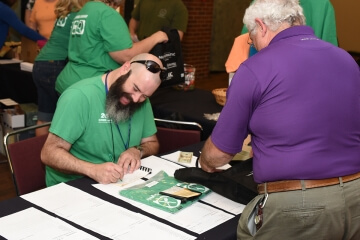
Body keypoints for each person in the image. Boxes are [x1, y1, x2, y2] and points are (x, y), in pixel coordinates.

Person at [198, 0, 360, 239]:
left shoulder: (255, 68)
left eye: (252, 39)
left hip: (301, 207)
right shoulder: (346, 60)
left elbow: (219, 154)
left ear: (261, 26)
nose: (254, 45)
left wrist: (205, 161)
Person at [41, 53, 165, 187]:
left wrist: (137, 150)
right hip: (74, 185)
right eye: (135, 88)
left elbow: (152, 143)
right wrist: (92, 170)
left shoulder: (142, 102)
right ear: (125, 68)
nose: (135, 99)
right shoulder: (79, 97)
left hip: (118, 183)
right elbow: (49, 153)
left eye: (144, 96)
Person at [55, 0, 168, 94]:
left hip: (70, 80)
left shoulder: (86, 10)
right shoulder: (107, 14)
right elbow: (125, 55)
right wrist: (156, 37)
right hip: (89, 86)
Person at [31, 0, 88, 136]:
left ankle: (41, 154)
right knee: (62, 118)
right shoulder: (79, 14)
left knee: (44, 116)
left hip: (41, 62)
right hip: (56, 64)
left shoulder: (65, 12)